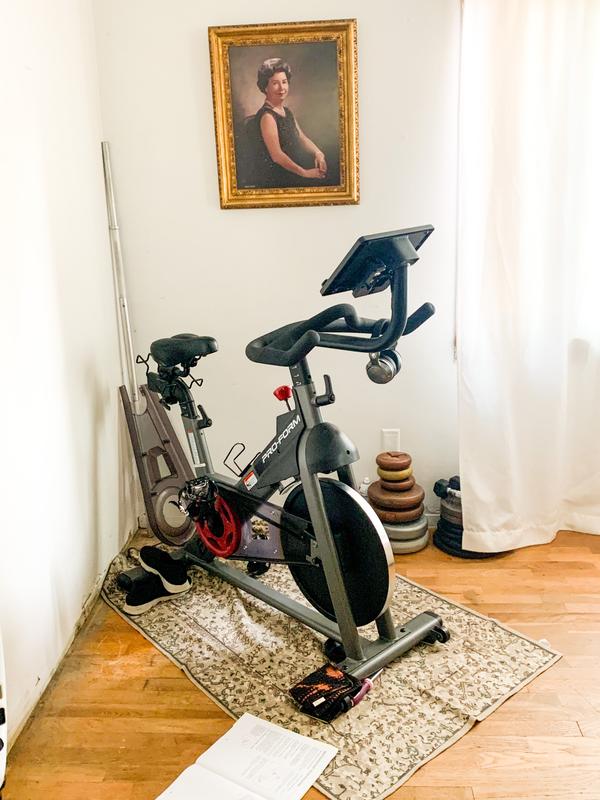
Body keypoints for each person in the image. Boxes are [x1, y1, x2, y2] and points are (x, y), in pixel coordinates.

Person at [244, 58, 328, 188]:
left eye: (284, 82)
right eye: (275, 83)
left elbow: (301, 137)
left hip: (294, 169)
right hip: (277, 177)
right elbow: (277, 156)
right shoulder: (267, 116)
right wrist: (305, 173)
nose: (282, 88)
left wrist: (318, 153)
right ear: (265, 87)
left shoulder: (287, 111)